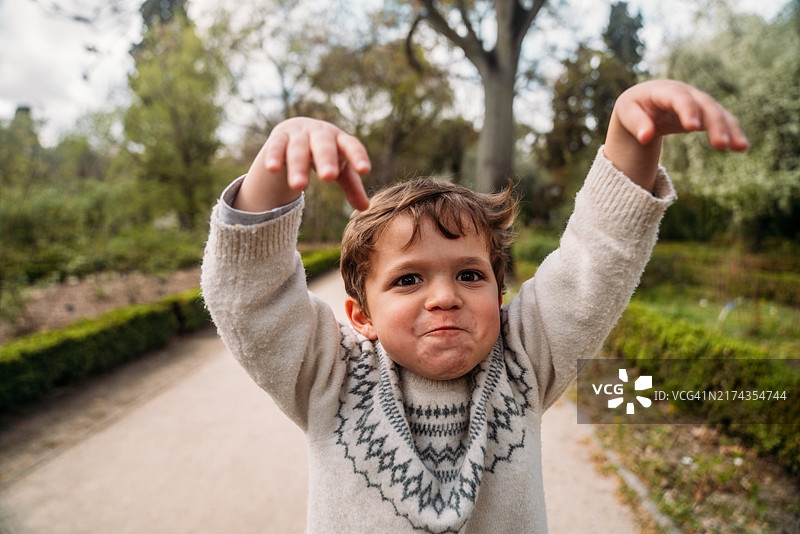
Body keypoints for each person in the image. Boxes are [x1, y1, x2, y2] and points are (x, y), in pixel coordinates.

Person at [201, 80, 747, 533]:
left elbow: (596, 261)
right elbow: (252, 297)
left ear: (501, 294)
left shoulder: (525, 360)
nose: (445, 297)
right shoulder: (328, 377)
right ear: (361, 315)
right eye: (408, 279)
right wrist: (273, 171)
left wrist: (631, 137)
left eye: (469, 274)